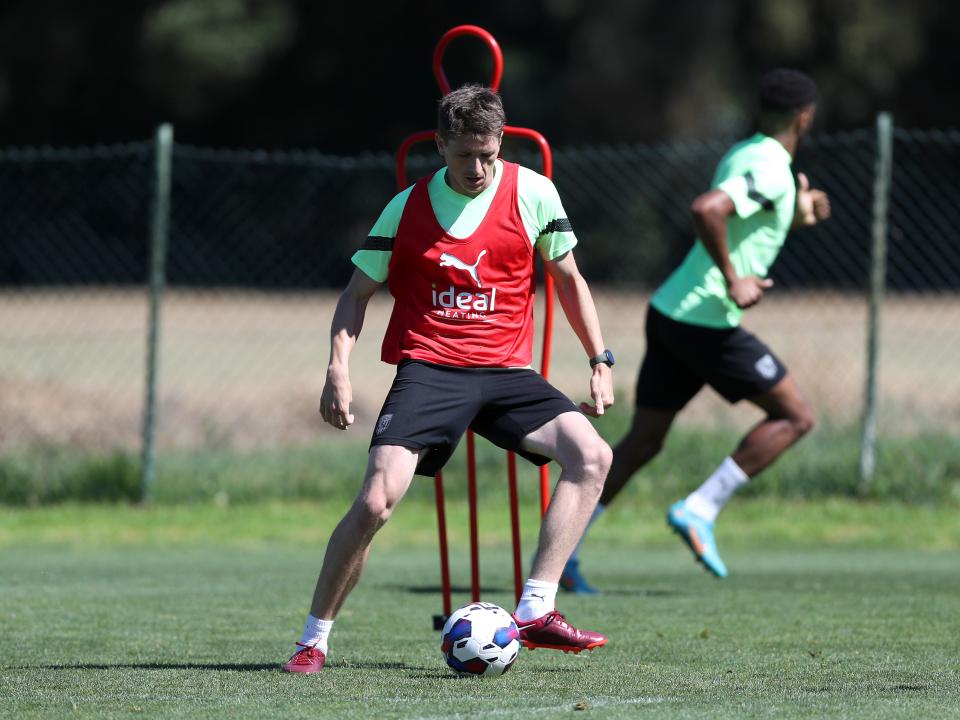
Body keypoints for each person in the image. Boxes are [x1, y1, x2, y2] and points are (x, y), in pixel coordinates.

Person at [282, 83, 617, 673]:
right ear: (440, 146)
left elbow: (569, 279)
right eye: (464, 155)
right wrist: (337, 368)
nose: (478, 168)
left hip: (507, 373)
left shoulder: (534, 192)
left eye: (488, 154)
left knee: (592, 457)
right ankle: (314, 639)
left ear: (501, 143)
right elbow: (356, 295)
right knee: (375, 502)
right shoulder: (405, 208)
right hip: (431, 370)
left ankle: (536, 609)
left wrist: (599, 360)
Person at [561, 68, 831, 593]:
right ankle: (700, 508)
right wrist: (734, 279)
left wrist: (796, 213)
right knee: (795, 416)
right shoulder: (772, 168)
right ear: (805, 116)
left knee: (644, 441)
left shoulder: (746, 153)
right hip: (706, 322)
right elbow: (708, 209)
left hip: (670, 312)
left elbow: (744, 213)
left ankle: (561, 552)